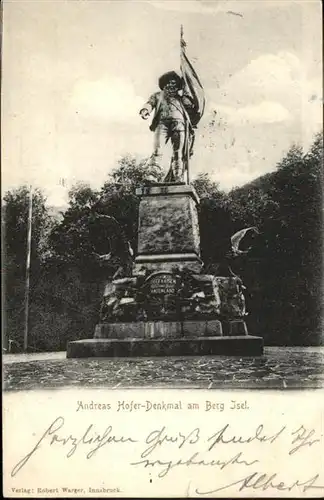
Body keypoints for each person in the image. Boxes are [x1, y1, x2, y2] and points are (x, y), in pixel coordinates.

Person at [139, 70, 196, 183]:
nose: (171, 85)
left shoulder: (181, 98)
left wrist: (187, 93)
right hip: (162, 124)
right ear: (164, 84)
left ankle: (178, 176)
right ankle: (152, 175)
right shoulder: (157, 96)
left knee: (178, 152)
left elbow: (191, 107)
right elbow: (150, 103)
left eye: (174, 83)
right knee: (157, 149)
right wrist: (145, 110)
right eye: (169, 82)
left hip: (179, 124)